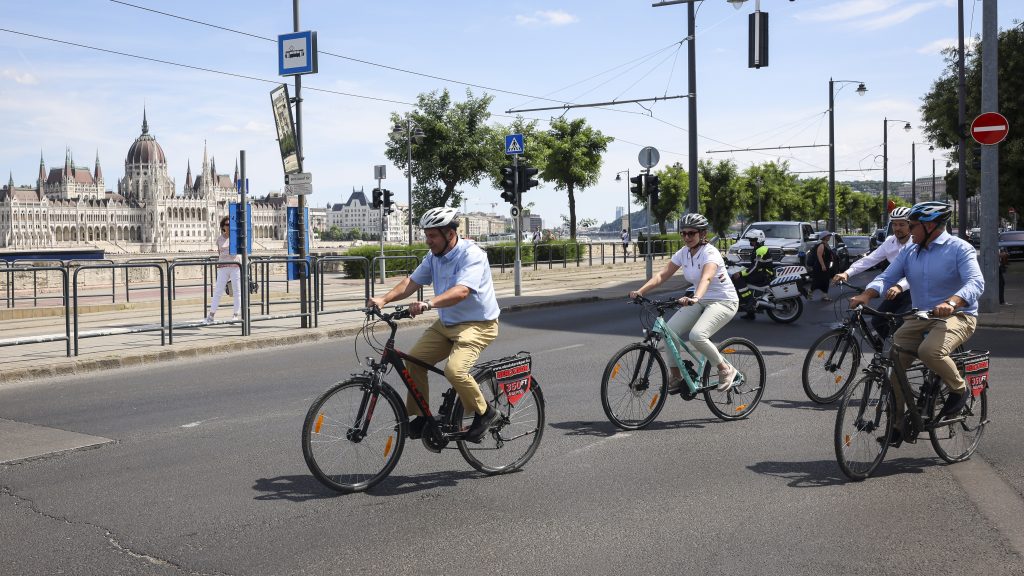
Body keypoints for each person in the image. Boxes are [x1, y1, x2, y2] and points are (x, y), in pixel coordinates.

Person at [848, 201, 984, 446]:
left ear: (930, 225)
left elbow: (975, 282)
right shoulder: (911, 251)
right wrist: (866, 295)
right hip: (920, 315)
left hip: (958, 315)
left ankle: (959, 388)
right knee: (894, 363)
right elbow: (887, 276)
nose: (908, 230)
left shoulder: (959, 248)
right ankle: (898, 426)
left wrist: (952, 302)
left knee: (929, 351)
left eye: (913, 225)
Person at [367, 207, 501, 443]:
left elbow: (462, 291)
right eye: (426, 235)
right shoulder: (433, 257)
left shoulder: (472, 255)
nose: (428, 241)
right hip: (447, 324)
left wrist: (428, 304)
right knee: (414, 361)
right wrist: (383, 300)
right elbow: (412, 281)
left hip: (478, 325)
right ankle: (421, 416)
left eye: (433, 236)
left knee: (455, 371)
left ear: (450, 234)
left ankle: (486, 412)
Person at [628, 213, 739, 392]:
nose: (686, 237)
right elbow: (661, 275)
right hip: (699, 301)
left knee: (697, 336)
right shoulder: (684, 253)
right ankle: (677, 377)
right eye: (683, 233)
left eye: (691, 233)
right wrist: (640, 291)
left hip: (724, 301)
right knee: (668, 332)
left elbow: (707, 278)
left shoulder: (710, 253)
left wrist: (695, 297)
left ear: (702, 234)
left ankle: (725, 369)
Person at [832, 207, 914, 338]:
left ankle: (903, 356)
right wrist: (847, 273)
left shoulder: (916, 244)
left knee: (901, 327)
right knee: (878, 322)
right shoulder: (890, 242)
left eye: (902, 224)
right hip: (893, 290)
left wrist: (900, 286)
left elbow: (915, 273)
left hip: (914, 291)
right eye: (894, 224)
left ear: (911, 225)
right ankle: (886, 354)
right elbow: (870, 259)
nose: (897, 228)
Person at [730, 229, 775, 320]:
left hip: (764, 274)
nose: (751, 242)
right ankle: (750, 314)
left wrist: (740, 274)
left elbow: (755, 266)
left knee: (738, 279)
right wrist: (734, 264)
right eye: (750, 240)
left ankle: (751, 301)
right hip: (761, 272)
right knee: (740, 275)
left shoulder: (761, 250)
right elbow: (753, 265)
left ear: (759, 240)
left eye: (753, 240)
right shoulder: (758, 249)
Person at [204, 216, 241, 324]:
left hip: (235, 266)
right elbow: (219, 253)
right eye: (227, 224)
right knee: (218, 291)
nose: (229, 226)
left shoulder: (237, 237)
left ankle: (235, 315)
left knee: (237, 291)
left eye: (230, 224)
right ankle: (211, 315)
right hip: (223, 267)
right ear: (223, 226)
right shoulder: (220, 239)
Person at [807, 230, 834, 301]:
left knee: (825, 281)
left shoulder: (826, 245)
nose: (829, 237)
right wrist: (823, 265)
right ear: (824, 237)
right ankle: (809, 293)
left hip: (826, 265)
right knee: (817, 281)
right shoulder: (821, 245)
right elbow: (819, 255)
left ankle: (824, 296)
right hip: (819, 266)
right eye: (828, 236)